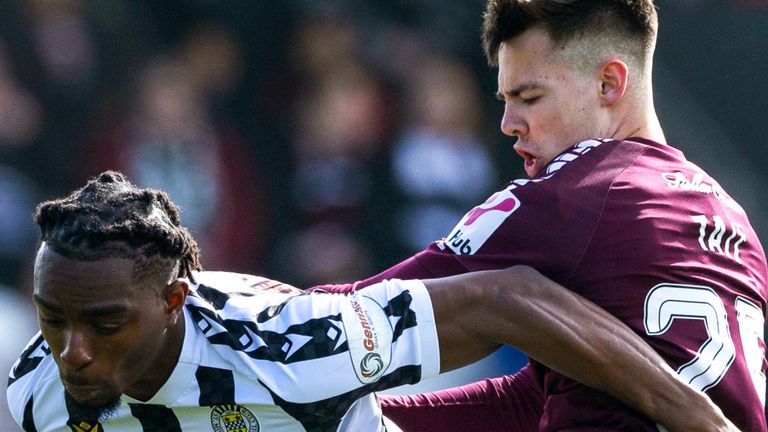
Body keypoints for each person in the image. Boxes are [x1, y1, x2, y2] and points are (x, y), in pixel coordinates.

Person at [316, 1, 768, 431]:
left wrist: (260, 312)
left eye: (529, 97)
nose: (508, 123)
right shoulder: (734, 220)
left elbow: (364, 311)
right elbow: (538, 402)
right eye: (505, 100)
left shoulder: (577, 193)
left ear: (609, 84)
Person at [5, 172, 737, 431]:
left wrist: (700, 423)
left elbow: (510, 297)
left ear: (174, 301)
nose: (74, 352)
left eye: (105, 323)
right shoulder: (36, 388)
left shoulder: (292, 349)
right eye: (53, 318)